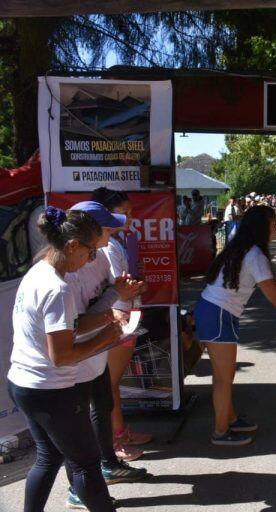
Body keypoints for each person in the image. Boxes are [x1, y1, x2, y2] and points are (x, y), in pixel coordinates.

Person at [7, 206, 121, 512]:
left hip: (24, 383)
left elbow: (67, 327)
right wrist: (105, 339)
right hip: (51, 390)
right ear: (72, 246)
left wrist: (105, 319)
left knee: (49, 457)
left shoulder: (39, 271)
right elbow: (62, 356)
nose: (92, 260)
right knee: (86, 463)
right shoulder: (58, 288)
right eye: (91, 253)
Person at [194, 205, 276, 446]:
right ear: (262, 227)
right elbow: (273, 297)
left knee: (225, 375)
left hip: (215, 312)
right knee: (223, 378)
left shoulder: (243, 247)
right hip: (218, 314)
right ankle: (221, 432)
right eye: (274, 224)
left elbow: (270, 284)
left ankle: (229, 419)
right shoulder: (255, 255)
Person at [63, 201, 147, 508]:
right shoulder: (66, 271)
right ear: (88, 233)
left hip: (96, 349)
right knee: (70, 434)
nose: (114, 230)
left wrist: (118, 293)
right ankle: (79, 487)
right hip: (76, 357)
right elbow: (74, 324)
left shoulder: (97, 256)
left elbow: (102, 297)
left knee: (101, 403)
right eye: (108, 226)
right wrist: (112, 314)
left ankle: (105, 466)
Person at [89, 189, 154, 452]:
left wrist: (139, 285)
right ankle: (115, 441)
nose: (129, 217)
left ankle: (120, 432)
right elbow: (120, 285)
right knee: (110, 383)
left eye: (131, 212)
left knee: (114, 382)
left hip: (129, 314)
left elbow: (129, 283)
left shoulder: (119, 241)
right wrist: (135, 287)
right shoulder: (107, 246)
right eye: (123, 212)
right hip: (117, 317)